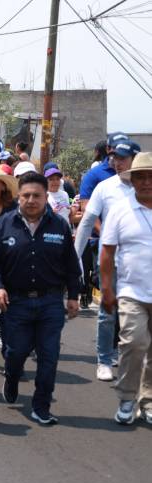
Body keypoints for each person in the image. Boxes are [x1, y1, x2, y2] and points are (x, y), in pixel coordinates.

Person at [0, 172, 80, 425]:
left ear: (46, 197)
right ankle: (12, 377)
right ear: (18, 198)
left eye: (37, 195)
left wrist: (74, 296)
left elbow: (71, 264)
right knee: (15, 353)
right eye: (25, 195)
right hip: (16, 303)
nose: (31, 200)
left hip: (50, 303)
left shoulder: (59, 225)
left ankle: (42, 406)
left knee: (49, 357)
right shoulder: (5, 224)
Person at [73, 139, 140, 382]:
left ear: (135, 159)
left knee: (135, 313)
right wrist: (75, 259)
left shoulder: (144, 187)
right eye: (114, 157)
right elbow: (87, 223)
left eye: (122, 158)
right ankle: (104, 359)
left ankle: (124, 354)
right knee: (108, 311)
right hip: (109, 260)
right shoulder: (105, 187)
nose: (116, 161)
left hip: (140, 263)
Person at [99, 152, 152, 425]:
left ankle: (149, 399)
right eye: (140, 177)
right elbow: (107, 253)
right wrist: (107, 289)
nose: (146, 182)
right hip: (132, 291)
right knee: (134, 342)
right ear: (132, 181)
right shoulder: (121, 209)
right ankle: (128, 398)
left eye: (150, 177)